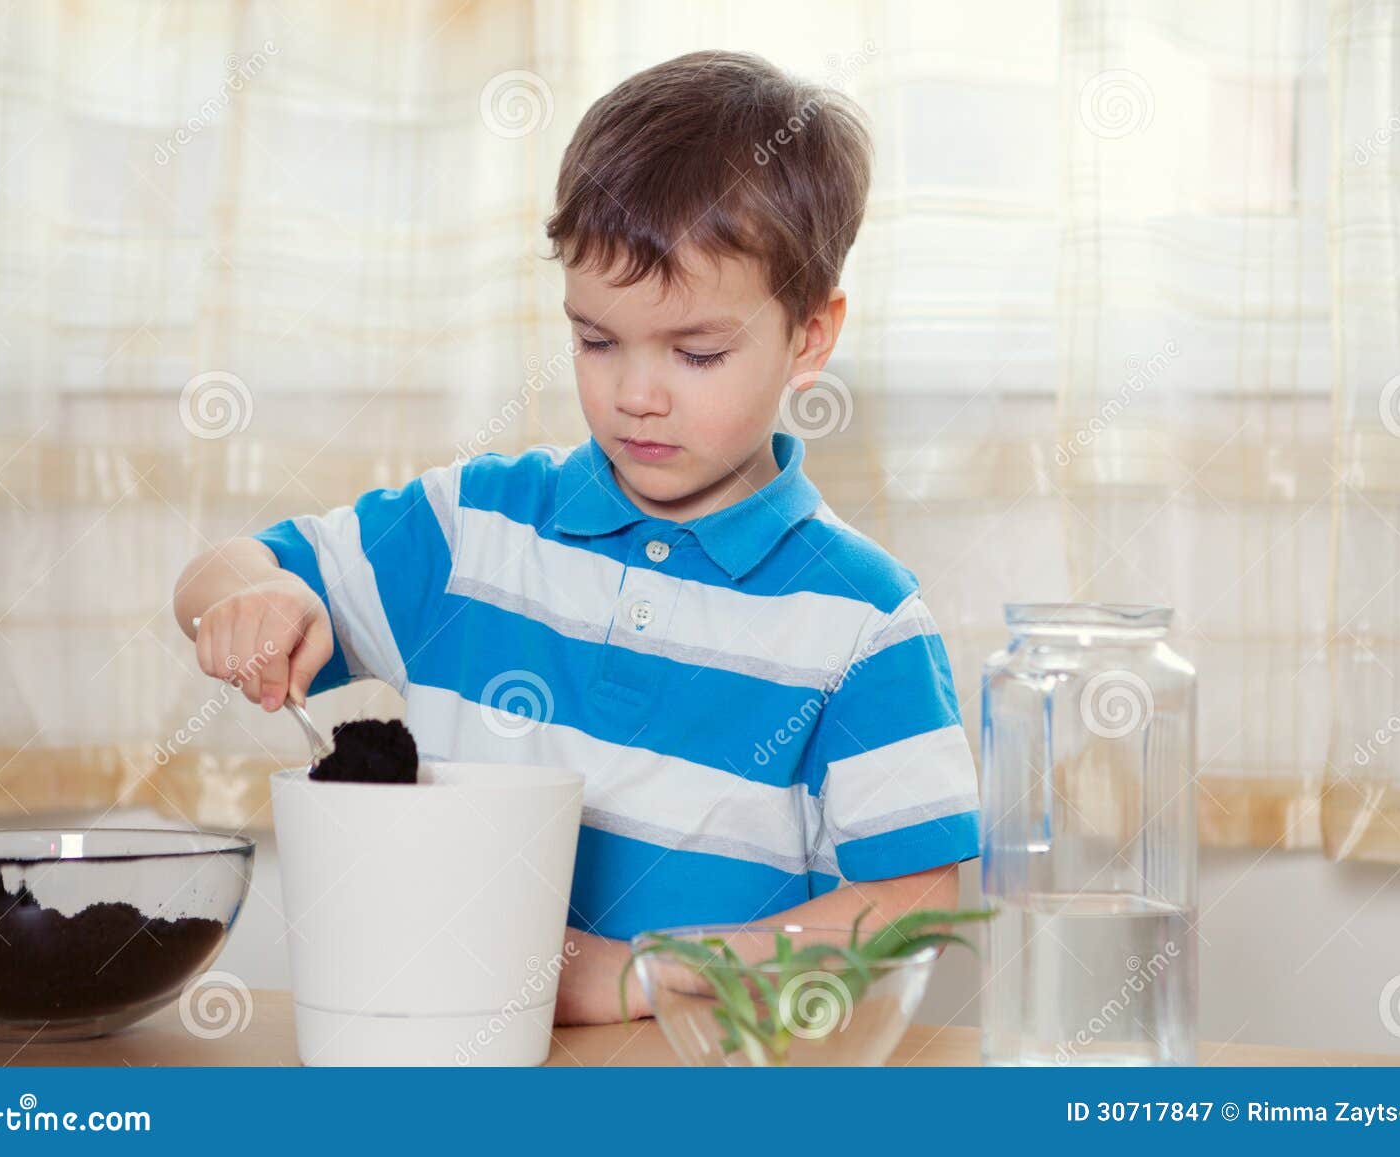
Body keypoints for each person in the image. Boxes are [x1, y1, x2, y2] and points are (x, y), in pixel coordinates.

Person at [173, 50, 979, 1025]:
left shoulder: (861, 621)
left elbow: (916, 905)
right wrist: (253, 597)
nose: (635, 392)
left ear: (809, 336)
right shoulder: (473, 529)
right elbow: (232, 568)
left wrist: (643, 970)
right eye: (596, 339)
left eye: (696, 351)